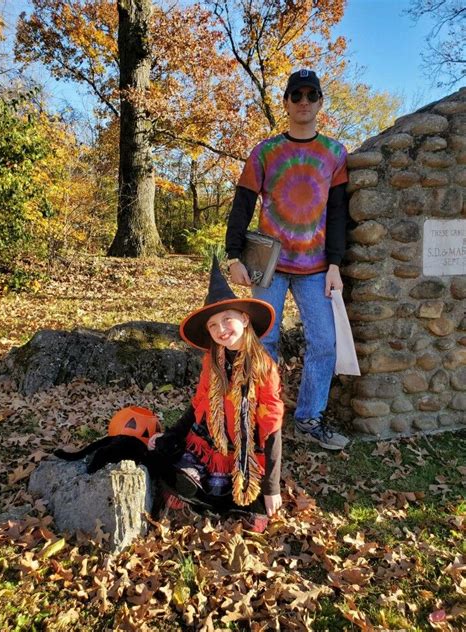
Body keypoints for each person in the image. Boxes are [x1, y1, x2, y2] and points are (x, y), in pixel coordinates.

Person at [225, 69, 349, 451]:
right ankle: (263, 416)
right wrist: (232, 255)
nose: (304, 102)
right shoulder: (264, 153)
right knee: (265, 342)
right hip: (270, 267)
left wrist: (335, 264)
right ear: (286, 102)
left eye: (312, 95)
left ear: (320, 103)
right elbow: (243, 204)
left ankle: (309, 417)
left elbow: (339, 212)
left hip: (315, 269)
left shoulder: (335, 154)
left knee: (325, 343)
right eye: (297, 95)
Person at [147, 257, 284, 532]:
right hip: (212, 442)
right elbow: (199, 403)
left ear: (244, 319)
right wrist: (172, 436)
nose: (221, 329)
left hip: (247, 448)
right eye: (213, 325)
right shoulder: (212, 362)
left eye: (227, 319)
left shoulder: (263, 368)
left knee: (254, 512)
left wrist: (272, 486)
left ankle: (244, 490)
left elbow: (272, 429)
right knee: (175, 475)